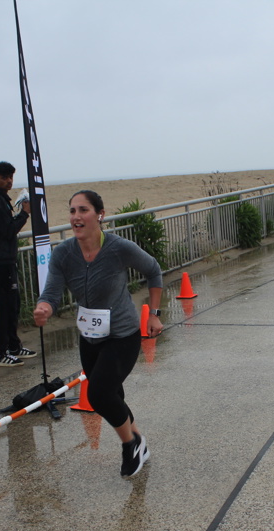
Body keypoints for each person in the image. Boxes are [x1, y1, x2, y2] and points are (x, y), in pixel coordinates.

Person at [32, 190, 163, 478]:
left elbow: (154, 270)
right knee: (112, 394)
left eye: (83, 210)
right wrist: (44, 308)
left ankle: (130, 446)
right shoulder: (63, 253)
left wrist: (154, 314)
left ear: (100, 215)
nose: (76, 217)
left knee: (99, 394)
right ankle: (138, 439)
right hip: (90, 337)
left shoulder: (118, 248)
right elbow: (51, 293)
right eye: (72, 211)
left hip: (123, 335)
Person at [0, 161, 38, 367]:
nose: (9, 181)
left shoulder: (1, 199)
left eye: (11, 177)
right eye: (4, 177)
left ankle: (13, 346)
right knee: (4, 306)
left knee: (13, 304)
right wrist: (24, 213)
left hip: (5, 259)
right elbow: (7, 231)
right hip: (0, 261)